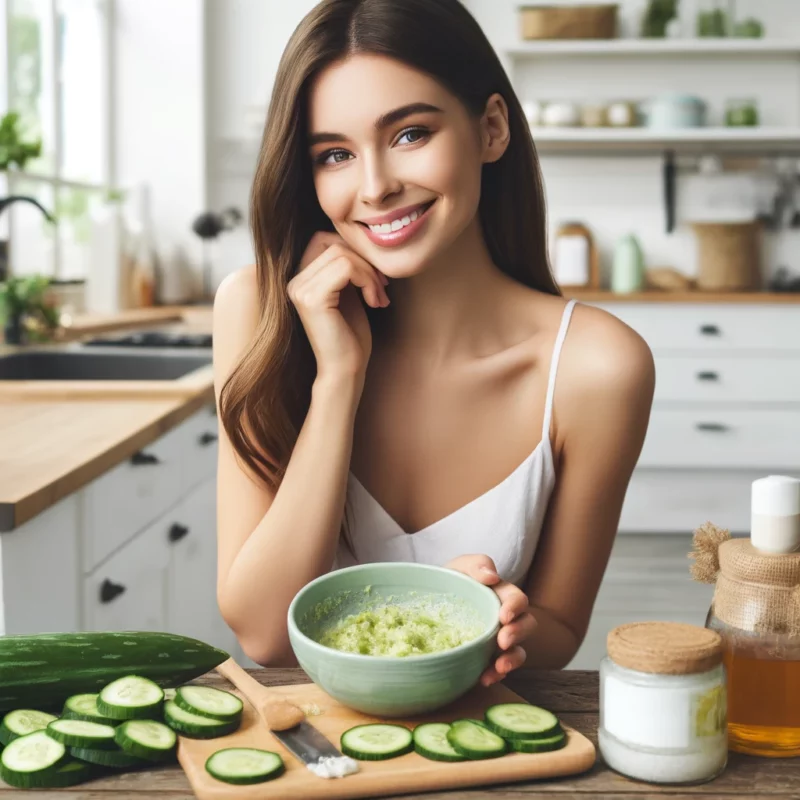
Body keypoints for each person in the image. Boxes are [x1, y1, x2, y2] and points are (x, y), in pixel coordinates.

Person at [212, 0, 655, 684]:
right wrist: (338, 379)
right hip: (309, 760)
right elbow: (266, 636)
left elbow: (561, 628)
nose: (376, 186)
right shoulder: (258, 312)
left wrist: (500, 626)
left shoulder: (597, 367)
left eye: (410, 134)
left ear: (492, 128)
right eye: (334, 154)